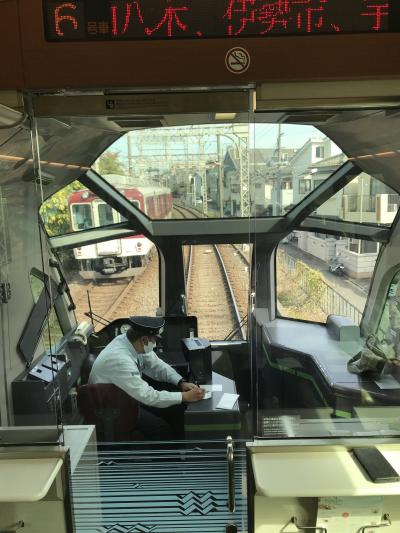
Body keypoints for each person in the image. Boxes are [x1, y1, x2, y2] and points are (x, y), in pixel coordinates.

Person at [88, 316, 205, 439]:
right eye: (154, 340)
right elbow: (148, 396)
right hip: (111, 408)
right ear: (144, 339)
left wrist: (180, 382)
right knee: (161, 429)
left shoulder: (132, 342)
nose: (155, 344)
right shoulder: (120, 360)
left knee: (176, 410)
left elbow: (156, 365)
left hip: (126, 397)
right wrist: (184, 396)